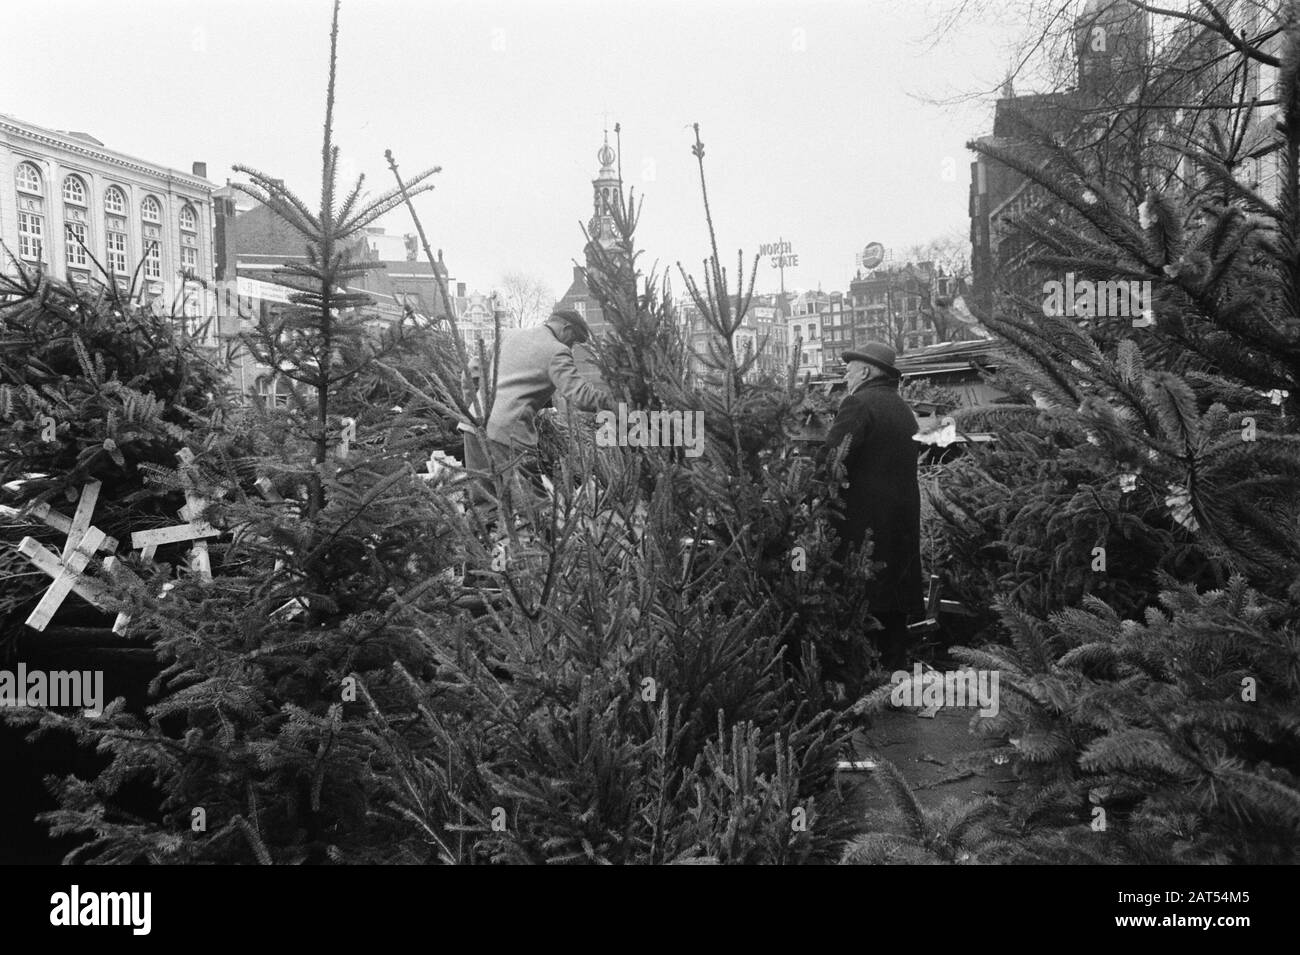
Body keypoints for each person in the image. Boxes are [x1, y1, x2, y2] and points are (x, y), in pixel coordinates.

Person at [816, 341, 924, 672]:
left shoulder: (858, 404)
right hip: (901, 524)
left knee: (859, 600)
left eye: (849, 370)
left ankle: (856, 680)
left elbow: (833, 458)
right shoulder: (904, 411)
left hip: (861, 527)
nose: (846, 377)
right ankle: (895, 681)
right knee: (892, 608)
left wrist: (804, 490)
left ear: (865, 371)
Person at [461, 309, 611, 514]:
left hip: (473, 426)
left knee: (484, 506)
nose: (571, 347)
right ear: (566, 328)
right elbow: (580, 396)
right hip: (509, 434)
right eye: (574, 341)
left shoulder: (507, 335)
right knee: (535, 508)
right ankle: (550, 544)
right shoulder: (556, 351)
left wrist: (472, 407)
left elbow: (471, 371)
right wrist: (618, 401)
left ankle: (486, 545)